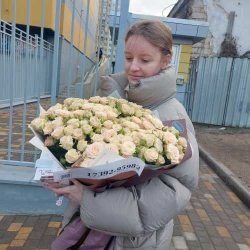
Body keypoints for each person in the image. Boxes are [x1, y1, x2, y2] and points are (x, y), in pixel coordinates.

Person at [50, 20, 199, 250]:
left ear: (165, 60)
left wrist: (90, 201)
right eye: (129, 58)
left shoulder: (173, 118)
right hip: (89, 226)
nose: (133, 67)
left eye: (145, 60)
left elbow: (173, 192)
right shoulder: (113, 98)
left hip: (130, 241)